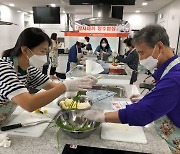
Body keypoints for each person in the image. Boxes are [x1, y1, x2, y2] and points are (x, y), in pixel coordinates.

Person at [83, 24, 180, 153]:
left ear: (159, 47)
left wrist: (103, 116)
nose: (140, 59)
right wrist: (151, 97)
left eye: (141, 53)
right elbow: (169, 98)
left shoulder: (174, 78)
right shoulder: (172, 68)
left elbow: (143, 113)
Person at [0, 27, 98, 125]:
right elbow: (29, 104)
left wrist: (79, 83)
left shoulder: (29, 70)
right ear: (25, 50)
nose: (44, 57)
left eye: (46, 53)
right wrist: (66, 86)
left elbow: (53, 86)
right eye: (42, 52)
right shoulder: (4, 68)